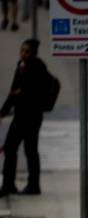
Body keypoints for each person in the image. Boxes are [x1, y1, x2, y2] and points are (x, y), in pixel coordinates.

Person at [1, 38, 50, 196]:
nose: (23, 54)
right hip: (22, 115)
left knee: (24, 149)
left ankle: (28, 185)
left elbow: (33, 92)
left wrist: (21, 94)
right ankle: (11, 184)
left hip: (30, 116)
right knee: (14, 149)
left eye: (27, 51)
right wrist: (3, 111)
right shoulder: (21, 66)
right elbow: (13, 90)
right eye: (22, 50)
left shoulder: (37, 67)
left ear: (33, 53)